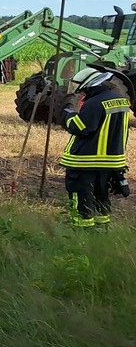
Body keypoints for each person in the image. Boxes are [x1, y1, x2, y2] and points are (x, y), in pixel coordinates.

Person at [59, 67, 131, 227]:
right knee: (101, 195)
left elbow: (81, 127)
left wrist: (68, 115)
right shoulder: (121, 100)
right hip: (111, 161)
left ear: (88, 86)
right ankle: (102, 226)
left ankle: (81, 228)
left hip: (86, 160)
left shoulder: (93, 103)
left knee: (81, 195)